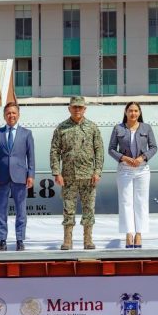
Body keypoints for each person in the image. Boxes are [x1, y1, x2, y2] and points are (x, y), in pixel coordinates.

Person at [50, 96, 104, 250]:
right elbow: (55, 151)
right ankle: (68, 240)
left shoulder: (92, 128)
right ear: (69, 109)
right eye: (74, 107)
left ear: (85, 109)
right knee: (68, 209)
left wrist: (97, 171)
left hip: (88, 176)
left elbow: (99, 151)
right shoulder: (61, 128)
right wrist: (56, 173)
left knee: (89, 209)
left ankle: (88, 239)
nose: (77, 110)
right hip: (69, 176)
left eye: (80, 107)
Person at [0, 102, 35, 252]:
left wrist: (31, 175)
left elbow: (31, 157)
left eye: (14, 113)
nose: (11, 116)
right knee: (1, 210)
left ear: (18, 115)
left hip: (20, 176)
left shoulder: (26, 134)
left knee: (21, 210)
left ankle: (20, 240)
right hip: (1, 176)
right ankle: (2, 240)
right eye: (8, 113)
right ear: (4, 116)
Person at [108, 102, 158, 249]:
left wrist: (142, 158)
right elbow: (111, 149)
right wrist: (125, 158)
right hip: (125, 168)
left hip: (142, 169)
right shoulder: (118, 128)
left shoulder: (146, 128)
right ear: (125, 112)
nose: (133, 113)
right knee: (126, 201)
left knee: (141, 202)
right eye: (130, 111)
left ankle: (139, 234)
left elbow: (154, 147)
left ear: (139, 112)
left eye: (136, 111)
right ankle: (128, 234)